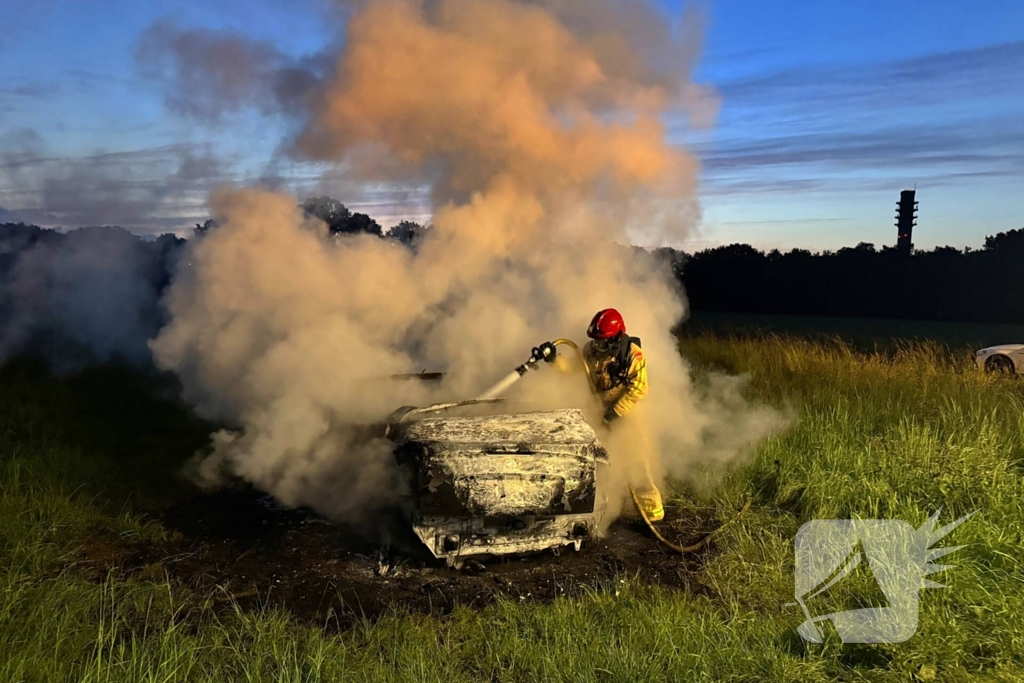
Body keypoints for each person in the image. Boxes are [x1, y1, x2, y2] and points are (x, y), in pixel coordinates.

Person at [540, 308, 664, 522]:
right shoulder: (591, 350)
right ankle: (601, 507)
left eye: (603, 341)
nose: (598, 346)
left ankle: (653, 516)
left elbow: (639, 389)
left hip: (626, 413)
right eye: (596, 341)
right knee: (595, 460)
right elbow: (572, 367)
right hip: (599, 410)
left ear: (616, 338)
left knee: (637, 462)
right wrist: (553, 360)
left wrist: (615, 412)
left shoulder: (633, 355)